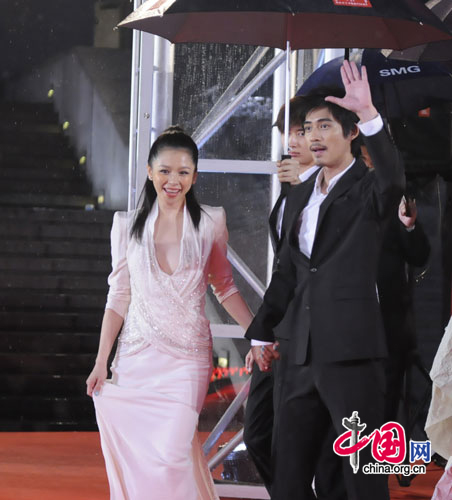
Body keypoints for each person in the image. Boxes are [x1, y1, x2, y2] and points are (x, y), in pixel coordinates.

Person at [246, 61, 405, 500]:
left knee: (362, 479)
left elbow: (395, 180)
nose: (313, 137)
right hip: (299, 354)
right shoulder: (298, 194)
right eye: (308, 127)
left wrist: (369, 114)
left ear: (351, 134)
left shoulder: (370, 188)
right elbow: (288, 273)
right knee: (289, 475)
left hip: (353, 355)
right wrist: (262, 334)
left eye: (325, 127)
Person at [86, 126, 254, 500]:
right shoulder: (125, 226)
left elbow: (224, 286)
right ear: (149, 171)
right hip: (135, 360)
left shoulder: (211, 221)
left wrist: (258, 333)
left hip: (186, 361)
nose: (173, 180)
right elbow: (118, 298)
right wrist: (102, 361)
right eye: (165, 171)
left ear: (194, 176)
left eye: (182, 172)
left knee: (171, 455)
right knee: (142, 458)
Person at [243, 97, 318, 493]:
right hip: (277, 327)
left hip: (308, 333)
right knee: (257, 436)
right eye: (288, 131)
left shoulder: (325, 190)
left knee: (294, 443)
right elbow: (282, 270)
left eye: (302, 130)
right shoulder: (291, 187)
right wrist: (263, 331)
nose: (293, 140)